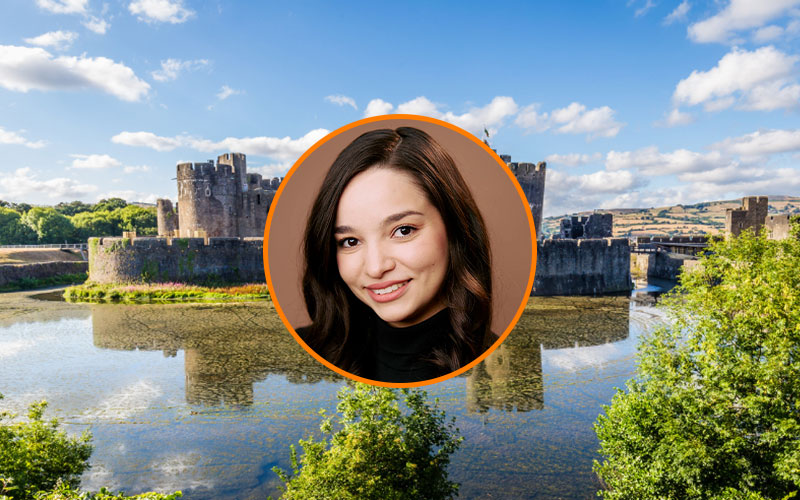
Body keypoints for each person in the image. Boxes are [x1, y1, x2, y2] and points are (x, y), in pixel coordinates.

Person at [299, 126, 493, 383]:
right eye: (350, 241)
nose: (376, 267)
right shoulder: (305, 350)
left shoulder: (498, 365)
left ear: (454, 228)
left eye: (403, 230)